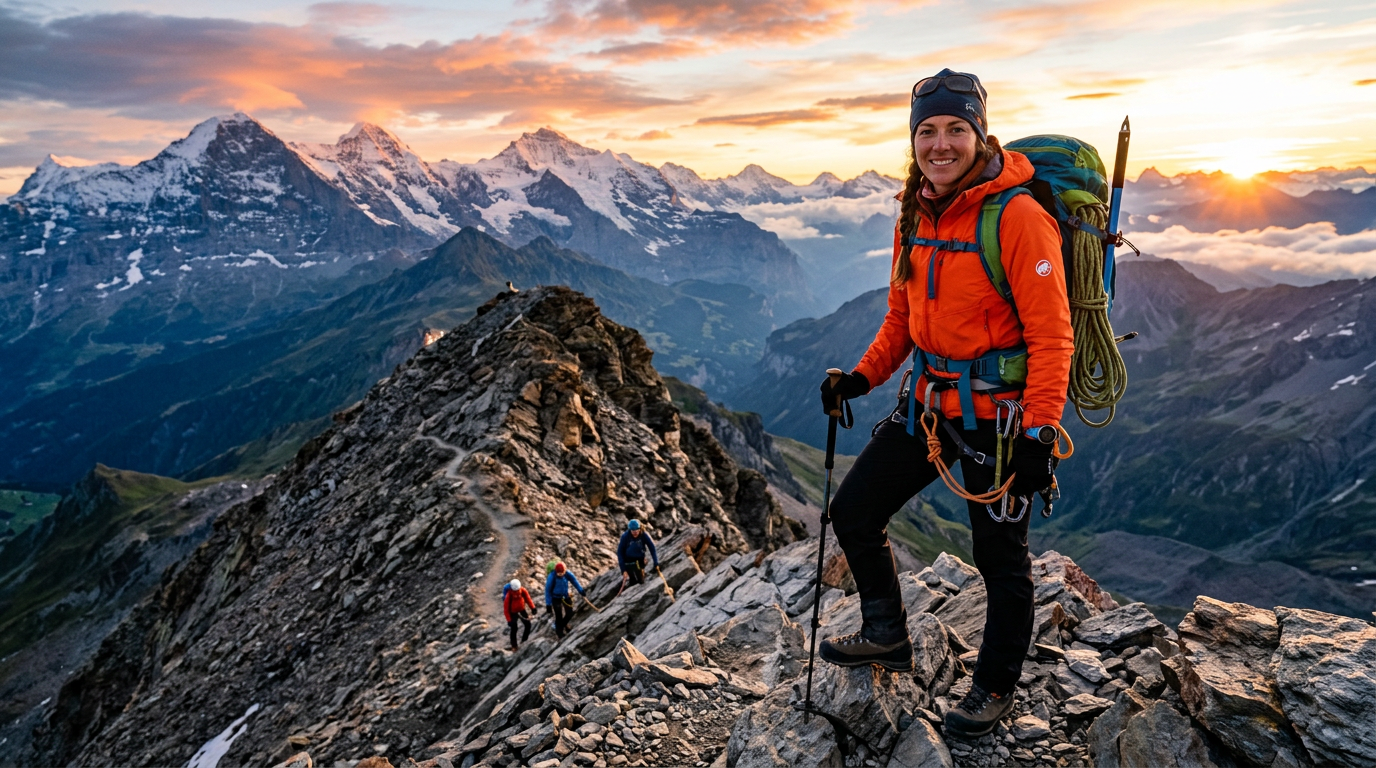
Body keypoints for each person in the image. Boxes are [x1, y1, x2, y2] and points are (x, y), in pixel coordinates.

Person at [816, 69, 1072, 738]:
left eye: (955, 129)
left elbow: (1053, 335)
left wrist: (1039, 437)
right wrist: (861, 379)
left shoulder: (1017, 216)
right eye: (927, 131)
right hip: (928, 409)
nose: (940, 144)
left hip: (998, 420)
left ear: (979, 133)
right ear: (913, 139)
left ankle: (993, 687)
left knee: (1000, 559)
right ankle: (886, 633)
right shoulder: (914, 209)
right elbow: (902, 317)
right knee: (854, 509)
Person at [544, 561, 586, 639]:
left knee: (570, 613)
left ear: (564, 571)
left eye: (562, 573)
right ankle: (559, 633)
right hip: (555, 598)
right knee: (558, 615)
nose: (560, 575)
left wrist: (581, 591)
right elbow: (548, 591)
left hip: (565, 596)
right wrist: (548, 604)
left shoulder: (567, 574)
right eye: (558, 574)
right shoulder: (552, 577)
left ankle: (562, 626)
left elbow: (574, 581)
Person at [617, 519, 659, 588]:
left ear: (639, 529)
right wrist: (623, 570)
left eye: (637, 531)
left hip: (639, 560)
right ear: (630, 530)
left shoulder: (643, 535)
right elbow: (620, 552)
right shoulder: (625, 537)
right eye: (633, 531)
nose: (635, 533)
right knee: (633, 580)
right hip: (628, 561)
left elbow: (652, 548)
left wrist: (656, 562)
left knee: (640, 579)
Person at [502, 579, 536, 651]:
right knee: (514, 628)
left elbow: (528, 599)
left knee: (528, 625)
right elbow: (506, 609)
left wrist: (533, 607)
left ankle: (524, 640)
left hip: (521, 610)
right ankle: (514, 646)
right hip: (513, 612)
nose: (517, 592)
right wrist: (509, 620)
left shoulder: (523, 591)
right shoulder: (509, 595)